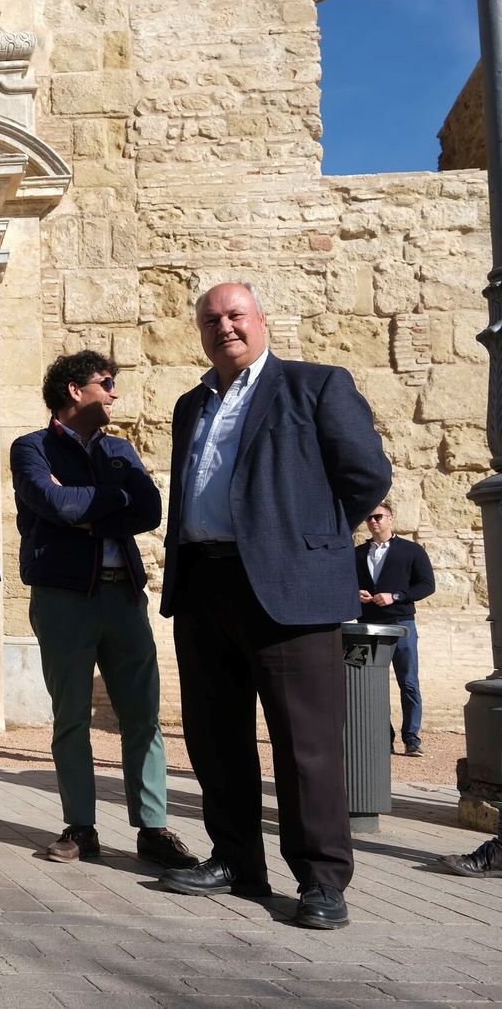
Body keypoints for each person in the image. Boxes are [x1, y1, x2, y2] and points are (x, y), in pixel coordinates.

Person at [159, 282, 390, 929]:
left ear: (261, 320)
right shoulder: (190, 404)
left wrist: (308, 541)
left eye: (236, 315)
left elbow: (367, 474)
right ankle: (237, 861)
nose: (225, 327)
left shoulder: (314, 385)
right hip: (203, 582)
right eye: (211, 319)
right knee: (215, 736)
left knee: (305, 744)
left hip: (290, 589)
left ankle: (321, 879)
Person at [10, 351, 197, 870]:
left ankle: (153, 828)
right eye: (106, 382)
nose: (114, 392)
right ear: (75, 390)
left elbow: (150, 510)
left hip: (125, 597)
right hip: (63, 599)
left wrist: (91, 507)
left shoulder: (119, 449)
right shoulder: (31, 448)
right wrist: (113, 501)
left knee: (143, 717)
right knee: (71, 717)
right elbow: (55, 505)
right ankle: (81, 827)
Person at [356, 502, 436, 757]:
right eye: (369, 518)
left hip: (402, 624)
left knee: (408, 682)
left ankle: (411, 738)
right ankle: (383, 736)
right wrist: (355, 593)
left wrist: (396, 596)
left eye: (378, 516)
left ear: (390, 519)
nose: (373, 521)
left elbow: (427, 585)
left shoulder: (412, 550)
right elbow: (344, 584)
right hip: (366, 626)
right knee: (367, 684)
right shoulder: (357, 553)